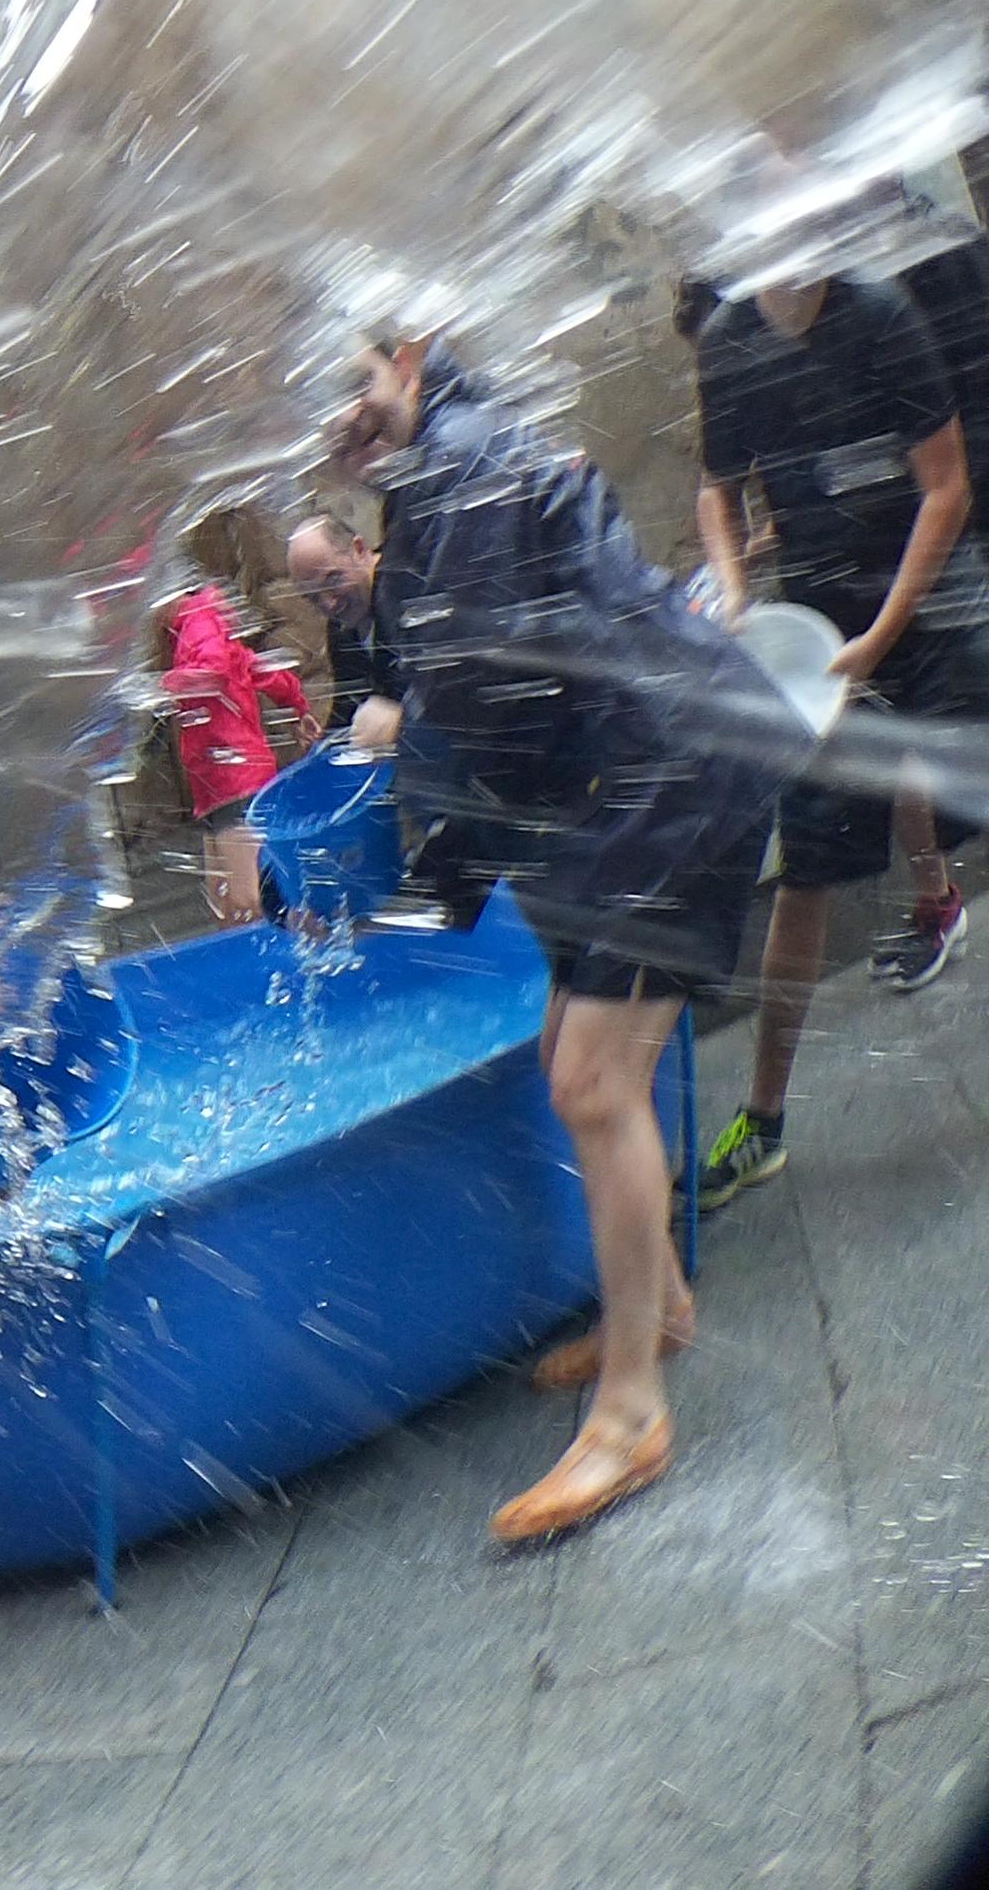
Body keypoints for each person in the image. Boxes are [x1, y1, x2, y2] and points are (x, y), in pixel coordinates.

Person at [327, 336, 801, 1544]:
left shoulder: (468, 463)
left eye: (354, 384)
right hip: (621, 788)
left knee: (596, 1081)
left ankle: (633, 1411)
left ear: (410, 357)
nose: (338, 416)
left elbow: (482, 696)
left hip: (675, 770)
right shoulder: (444, 466)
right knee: (567, 1055)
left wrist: (402, 747)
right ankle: (665, 1305)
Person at [690, 259, 989, 1203]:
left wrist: (886, 634)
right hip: (822, 635)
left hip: (932, 607)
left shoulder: (881, 312)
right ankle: (764, 1124)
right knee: (806, 870)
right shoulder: (733, 343)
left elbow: (947, 486)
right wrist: (735, 590)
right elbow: (714, 486)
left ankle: (938, 899)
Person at [156, 505, 312, 925]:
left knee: (247, 901)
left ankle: (307, 963)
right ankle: (311, 950)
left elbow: (217, 669)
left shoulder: (196, 619)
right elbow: (253, 667)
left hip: (234, 780)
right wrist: (297, 704)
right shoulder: (204, 622)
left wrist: (165, 686)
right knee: (236, 899)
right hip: (223, 782)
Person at [285, 514, 406, 755]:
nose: (329, 605)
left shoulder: (409, 588)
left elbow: (459, 682)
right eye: (313, 598)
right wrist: (325, 739)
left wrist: (406, 721)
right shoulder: (341, 629)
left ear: (359, 550)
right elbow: (350, 705)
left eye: (333, 581)